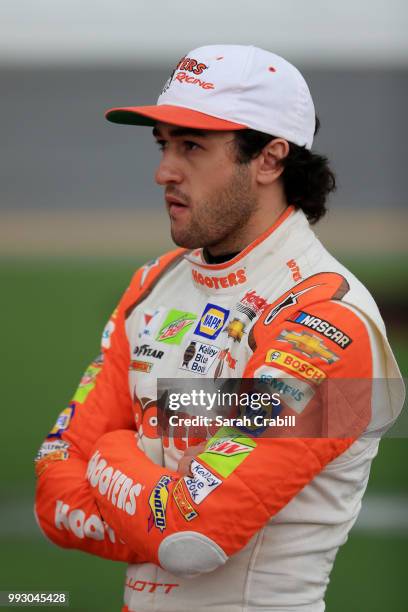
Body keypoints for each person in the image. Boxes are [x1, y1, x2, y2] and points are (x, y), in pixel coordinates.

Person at [34, 44, 405, 612]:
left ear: (271, 159)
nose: (163, 171)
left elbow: (192, 537)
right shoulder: (153, 285)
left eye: (191, 147)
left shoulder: (327, 320)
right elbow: (55, 496)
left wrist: (110, 452)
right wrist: (152, 508)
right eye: (163, 145)